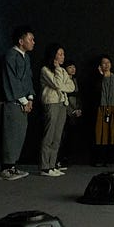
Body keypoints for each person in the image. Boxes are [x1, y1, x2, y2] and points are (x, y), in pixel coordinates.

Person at [0, 26, 35, 181]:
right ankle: (6, 168)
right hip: (12, 102)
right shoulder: (10, 56)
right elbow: (11, 80)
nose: (33, 42)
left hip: (24, 102)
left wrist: (31, 98)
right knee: (10, 134)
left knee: (20, 134)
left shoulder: (26, 57)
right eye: (30, 39)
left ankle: (13, 165)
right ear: (21, 41)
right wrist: (23, 100)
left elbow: (28, 80)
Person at [38, 43, 73, 177]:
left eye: (63, 54)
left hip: (62, 104)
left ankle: (52, 165)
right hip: (51, 103)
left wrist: (60, 83)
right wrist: (58, 70)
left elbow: (71, 87)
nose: (62, 56)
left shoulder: (63, 71)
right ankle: (44, 167)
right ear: (53, 55)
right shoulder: (45, 69)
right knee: (49, 135)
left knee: (57, 136)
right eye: (60, 54)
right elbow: (58, 84)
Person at [91, 54, 114, 167]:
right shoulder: (97, 78)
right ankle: (100, 159)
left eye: (108, 62)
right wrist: (101, 76)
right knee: (101, 134)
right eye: (103, 63)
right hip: (101, 109)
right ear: (100, 66)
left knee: (113, 134)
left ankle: (111, 160)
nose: (106, 65)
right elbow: (94, 91)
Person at [59, 60, 82, 167]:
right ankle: (59, 159)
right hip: (66, 110)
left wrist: (79, 109)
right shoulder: (63, 80)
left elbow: (78, 96)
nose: (73, 69)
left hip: (75, 111)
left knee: (72, 137)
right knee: (63, 136)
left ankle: (68, 159)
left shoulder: (75, 80)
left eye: (74, 67)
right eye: (70, 67)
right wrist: (71, 111)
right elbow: (64, 97)